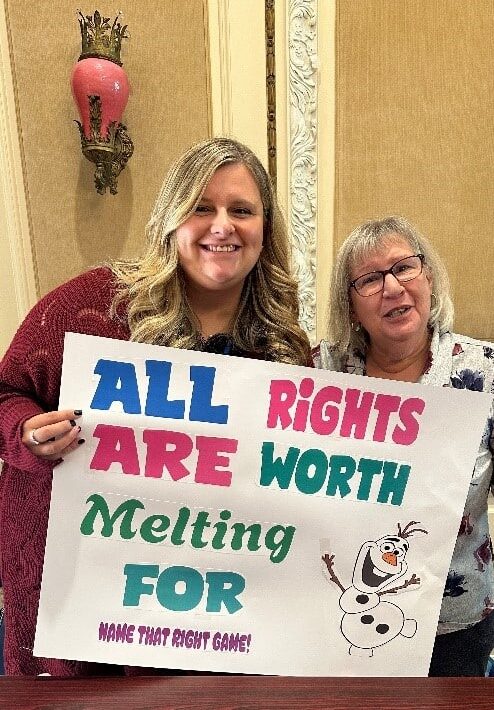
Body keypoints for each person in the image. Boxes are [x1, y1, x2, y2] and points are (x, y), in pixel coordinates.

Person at [0, 137, 311, 676]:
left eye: (242, 210)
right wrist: (24, 433)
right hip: (87, 599)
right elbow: (5, 393)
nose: (222, 226)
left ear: (266, 229)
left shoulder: (283, 347)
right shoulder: (94, 305)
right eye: (201, 207)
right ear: (172, 218)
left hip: (217, 608)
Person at [313, 215, 494, 676]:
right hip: (340, 613)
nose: (392, 286)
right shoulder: (318, 371)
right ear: (351, 307)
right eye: (370, 279)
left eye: (405, 268)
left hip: (455, 625)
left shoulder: (485, 371)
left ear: (428, 278)